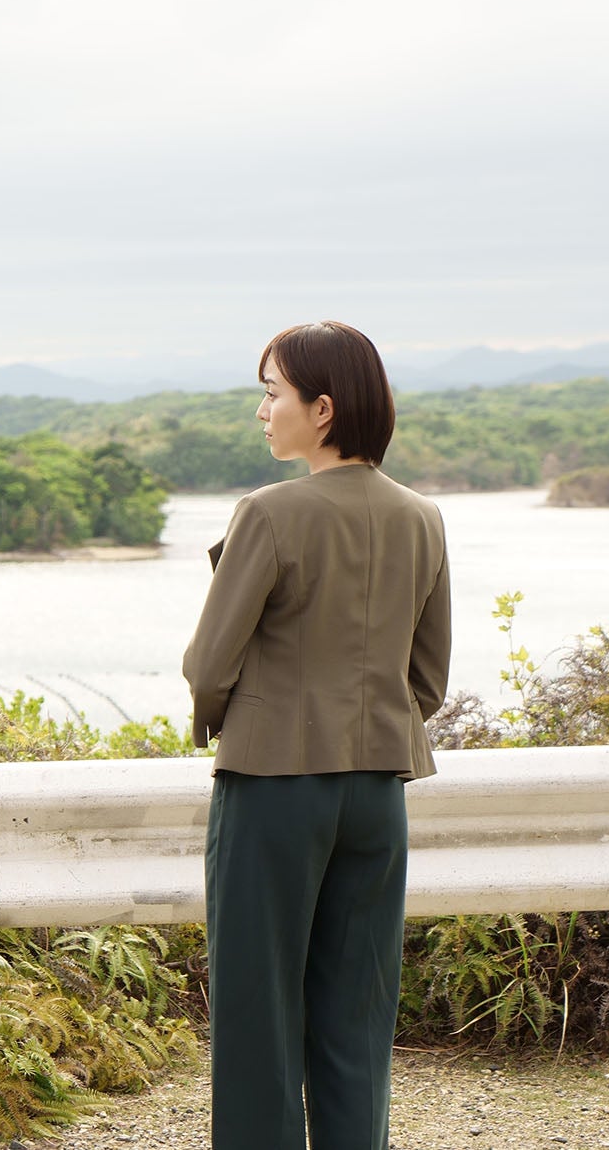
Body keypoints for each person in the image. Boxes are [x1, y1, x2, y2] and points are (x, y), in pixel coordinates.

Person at [182, 320, 450, 1150]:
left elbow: (207, 664)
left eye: (273, 394)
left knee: (259, 1011)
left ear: (322, 408)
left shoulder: (268, 513)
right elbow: (429, 679)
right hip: (378, 793)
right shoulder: (422, 517)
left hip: (273, 787)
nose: (263, 411)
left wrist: (230, 719)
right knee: (357, 1011)